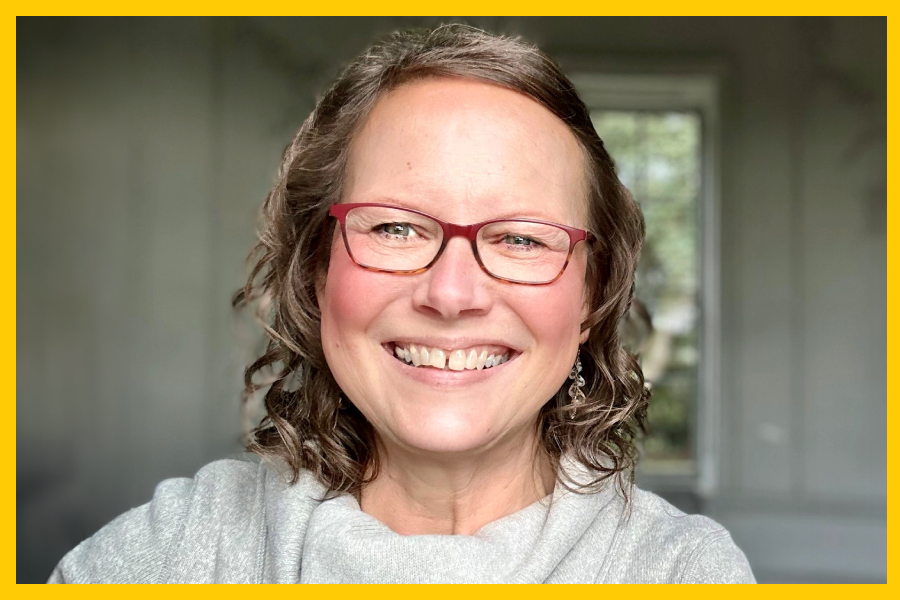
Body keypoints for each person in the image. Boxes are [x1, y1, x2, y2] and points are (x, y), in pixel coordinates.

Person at [48, 24, 755, 584]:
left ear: (592, 299)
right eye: (395, 227)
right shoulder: (174, 554)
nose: (451, 295)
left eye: (519, 238)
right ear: (317, 273)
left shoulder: (683, 571)